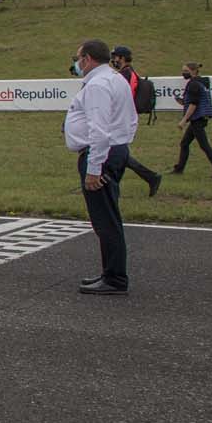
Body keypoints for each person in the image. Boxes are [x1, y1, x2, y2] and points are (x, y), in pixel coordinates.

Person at [64, 39, 137, 295]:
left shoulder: (97, 85)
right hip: (114, 151)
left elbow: (99, 130)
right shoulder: (116, 79)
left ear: (87, 58)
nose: (77, 63)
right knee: (108, 217)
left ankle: (115, 278)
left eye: (78, 58)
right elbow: (130, 120)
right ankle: (110, 272)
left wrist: (94, 169)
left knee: (105, 220)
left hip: (101, 154)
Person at [108, 46, 161, 197]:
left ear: (122, 58)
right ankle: (151, 177)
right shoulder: (129, 72)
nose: (113, 60)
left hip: (121, 118)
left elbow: (122, 97)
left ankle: (150, 177)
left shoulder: (125, 75)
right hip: (125, 117)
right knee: (117, 152)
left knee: (115, 151)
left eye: (115, 57)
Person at [173, 61, 212, 180]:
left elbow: (193, 104)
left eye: (186, 71)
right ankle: (179, 169)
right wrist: (182, 101)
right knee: (184, 143)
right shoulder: (200, 82)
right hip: (200, 118)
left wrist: (184, 120)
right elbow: (194, 101)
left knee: (205, 146)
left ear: (193, 71)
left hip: (197, 118)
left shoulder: (193, 85)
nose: (183, 73)